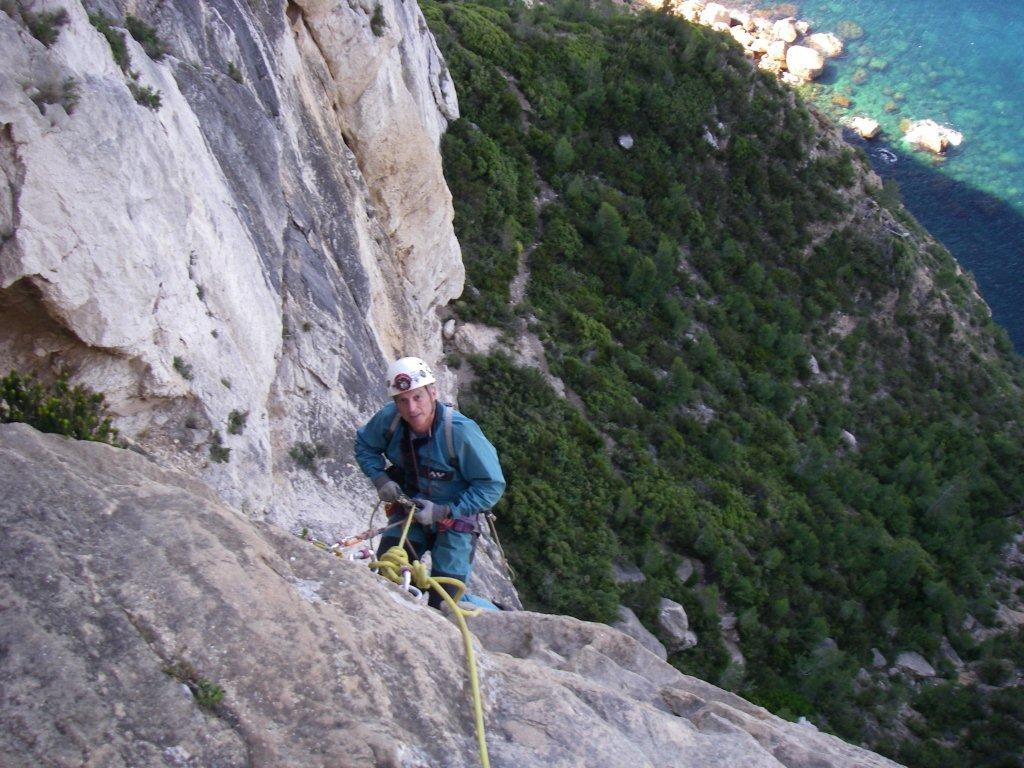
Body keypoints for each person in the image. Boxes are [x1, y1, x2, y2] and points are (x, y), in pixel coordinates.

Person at [354, 356, 505, 609]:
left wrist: (445, 510)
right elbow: (364, 445)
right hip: (410, 510)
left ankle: (494, 611)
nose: (411, 408)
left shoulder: (460, 432)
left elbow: (491, 486)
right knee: (388, 578)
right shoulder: (390, 420)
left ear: (433, 393)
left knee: (445, 603)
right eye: (403, 400)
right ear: (395, 402)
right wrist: (380, 479)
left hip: (455, 520)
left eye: (417, 397)